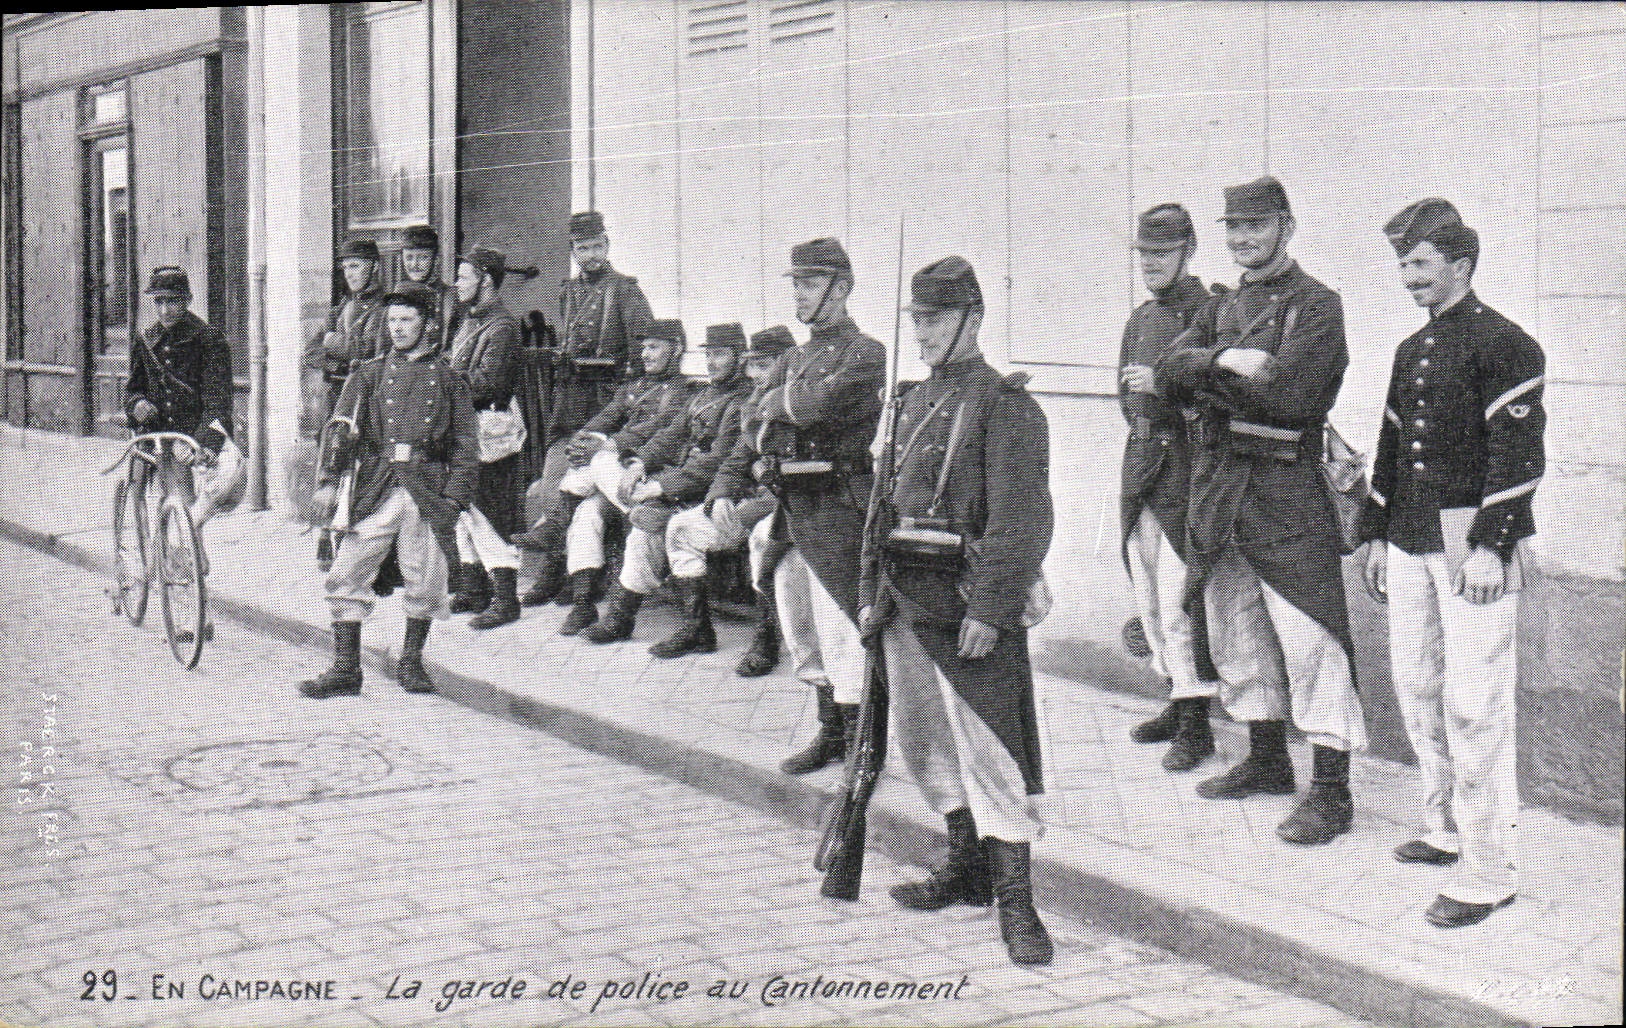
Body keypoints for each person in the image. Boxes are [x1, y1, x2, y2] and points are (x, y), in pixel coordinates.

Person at [1157, 175, 1368, 846]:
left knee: (1311, 640)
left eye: (1257, 226)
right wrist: (1232, 360)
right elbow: (1167, 369)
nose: (1244, 239)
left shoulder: (1318, 304)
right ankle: (1268, 760)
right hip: (1222, 490)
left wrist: (1212, 378)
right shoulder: (1222, 309)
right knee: (1234, 631)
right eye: (1234, 228)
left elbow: (1292, 395)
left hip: (1286, 491)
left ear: (1287, 226)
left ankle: (1332, 792)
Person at [861, 256, 1054, 965]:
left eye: (935, 320)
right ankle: (964, 863)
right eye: (916, 320)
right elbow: (880, 509)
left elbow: (1022, 521)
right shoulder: (909, 401)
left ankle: (1018, 905)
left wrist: (994, 610)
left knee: (992, 748)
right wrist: (870, 598)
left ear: (972, 318)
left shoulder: (1004, 403)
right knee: (925, 741)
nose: (922, 334)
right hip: (906, 596)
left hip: (969, 601)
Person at [1358, 199, 1544, 928]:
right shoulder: (1414, 349)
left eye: (1420, 264)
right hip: (1409, 539)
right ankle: (1444, 828)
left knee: (1476, 705)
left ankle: (1488, 867)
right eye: (1403, 264)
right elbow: (1391, 443)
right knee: (1417, 687)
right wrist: (1376, 532)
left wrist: (1494, 545)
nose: (1407, 277)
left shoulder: (1508, 344)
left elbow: (1519, 452)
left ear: (1459, 265)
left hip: (1473, 547)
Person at [709, 238, 885, 775]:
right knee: (800, 624)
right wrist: (723, 487)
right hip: (791, 509)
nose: (799, 298)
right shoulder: (793, 356)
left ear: (842, 288)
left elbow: (818, 406)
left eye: (810, 286)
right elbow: (748, 428)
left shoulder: (866, 352)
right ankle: (830, 728)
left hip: (838, 507)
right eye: (796, 286)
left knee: (842, 627)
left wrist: (775, 406)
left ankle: (864, 743)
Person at [298, 283, 478, 699]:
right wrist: (327, 482)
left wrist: (454, 499)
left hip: (427, 489)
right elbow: (340, 429)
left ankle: (411, 663)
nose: (397, 328)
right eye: (392, 320)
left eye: (407, 320)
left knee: (426, 579)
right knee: (346, 573)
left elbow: (468, 445)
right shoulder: (369, 373)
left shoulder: (450, 381)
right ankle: (346, 669)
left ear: (428, 325)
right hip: (377, 485)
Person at [1118, 204, 1225, 772]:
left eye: (1162, 254)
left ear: (1188, 252)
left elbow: (1216, 395)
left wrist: (1165, 394)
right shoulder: (1139, 319)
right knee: (1149, 593)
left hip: (1186, 469)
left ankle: (1197, 723)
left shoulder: (1209, 313)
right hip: (1142, 466)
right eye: (1144, 255)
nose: (1151, 265)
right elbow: (1125, 396)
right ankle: (1175, 696)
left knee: (1183, 598)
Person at [582, 323, 754, 648]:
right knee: (644, 529)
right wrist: (640, 463)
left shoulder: (741, 401)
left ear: (741, 358)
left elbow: (716, 462)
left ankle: (693, 627)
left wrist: (659, 488)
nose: (712, 363)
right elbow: (671, 434)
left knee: (669, 526)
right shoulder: (704, 394)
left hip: (722, 494)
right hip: (687, 487)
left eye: (720, 355)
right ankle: (624, 618)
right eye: (709, 355)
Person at [516, 211, 655, 604]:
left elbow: (642, 355)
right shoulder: (569, 291)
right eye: (583, 248)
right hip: (570, 399)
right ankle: (555, 571)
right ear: (573, 251)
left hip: (606, 401)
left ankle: (579, 576)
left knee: (586, 493)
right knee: (552, 481)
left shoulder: (625, 291)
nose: (591, 255)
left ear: (607, 245)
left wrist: (618, 391)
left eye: (597, 246)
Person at [542, 320, 693, 635]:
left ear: (676, 348)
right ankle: (583, 604)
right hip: (618, 480)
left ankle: (554, 528)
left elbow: (659, 428)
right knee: (586, 512)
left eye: (654, 347)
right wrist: (584, 437)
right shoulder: (634, 387)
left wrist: (607, 443)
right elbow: (607, 415)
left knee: (599, 460)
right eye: (643, 347)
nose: (645, 354)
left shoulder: (683, 391)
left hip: (652, 475)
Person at [666, 324, 798, 675]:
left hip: (793, 509)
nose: (755, 375)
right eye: (752, 365)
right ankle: (698, 629)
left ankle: (766, 637)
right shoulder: (755, 406)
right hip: (748, 504)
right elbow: (735, 460)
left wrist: (753, 492)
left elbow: (798, 480)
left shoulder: (802, 405)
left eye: (765, 365)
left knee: (761, 539)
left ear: (789, 364)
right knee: (681, 527)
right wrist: (720, 496)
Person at [445, 245, 538, 630]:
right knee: (465, 507)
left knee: (489, 511)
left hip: (491, 429)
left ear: (485, 280)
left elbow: (488, 383)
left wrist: (444, 382)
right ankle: (474, 588)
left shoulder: (501, 326)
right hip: (467, 425)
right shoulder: (470, 320)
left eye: (464, 277)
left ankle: (506, 598)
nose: (456, 283)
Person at [305, 237, 388, 570]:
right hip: (335, 397)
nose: (350, 274)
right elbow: (311, 353)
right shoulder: (339, 310)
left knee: (360, 469)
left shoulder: (385, 310)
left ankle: (358, 543)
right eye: (346, 268)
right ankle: (326, 532)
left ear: (374, 267)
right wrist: (342, 356)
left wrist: (337, 345)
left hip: (366, 400)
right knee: (331, 462)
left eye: (356, 266)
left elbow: (378, 356)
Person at [399, 224, 456, 351]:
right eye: (409, 257)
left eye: (423, 257)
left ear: (436, 260)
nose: (415, 265)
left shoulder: (450, 298)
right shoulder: (397, 296)